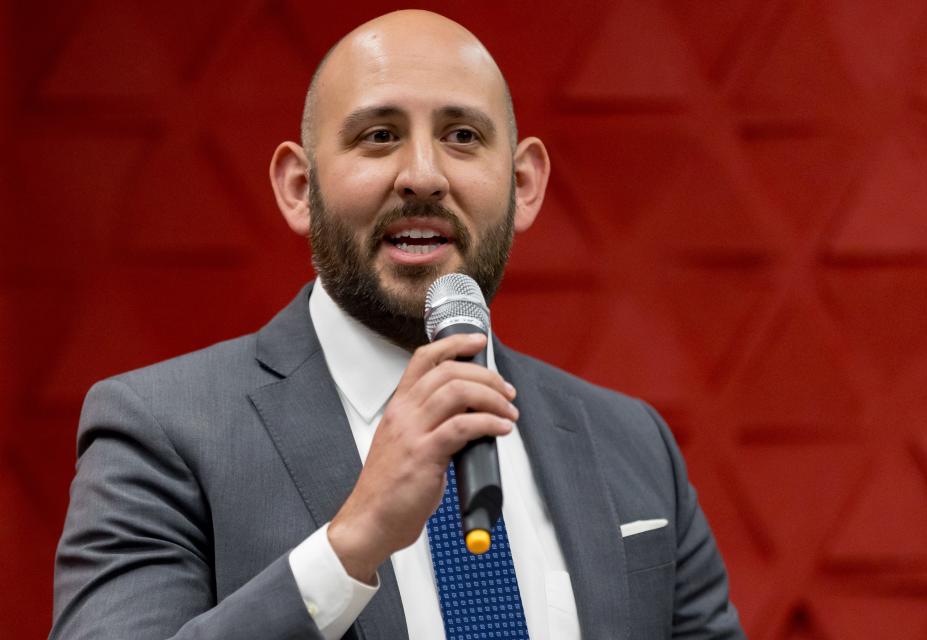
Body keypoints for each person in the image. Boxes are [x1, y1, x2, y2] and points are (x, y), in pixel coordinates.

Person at [51, 9, 745, 640]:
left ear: (524, 184)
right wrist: (351, 542)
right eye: (379, 137)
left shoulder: (633, 444)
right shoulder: (160, 429)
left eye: (463, 136)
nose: (422, 175)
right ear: (300, 188)